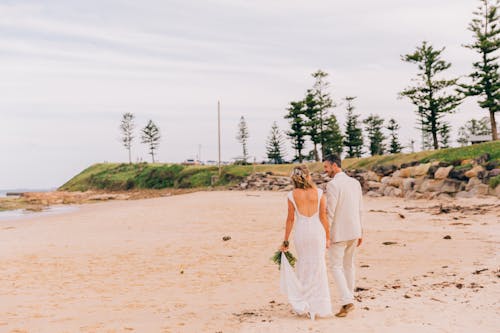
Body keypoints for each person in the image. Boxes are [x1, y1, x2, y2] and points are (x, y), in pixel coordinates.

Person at [279, 164, 332, 320]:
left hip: (301, 232)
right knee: (318, 266)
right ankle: (319, 306)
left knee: (303, 265)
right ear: (308, 176)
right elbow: (323, 217)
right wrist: (328, 237)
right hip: (317, 232)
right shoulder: (320, 193)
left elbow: (290, 219)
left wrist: (285, 240)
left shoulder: (291, 195)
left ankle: (305, 304)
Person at [323, 154, 363, 318]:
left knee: (335, 266)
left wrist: (326, 233)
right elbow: (360, 208)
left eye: (326, 167)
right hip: (354, 231)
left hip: (339, 233)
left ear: (334, 165)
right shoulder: (355, 183)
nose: (325, 170)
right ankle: (349, 298)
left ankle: (347, 300)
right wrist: (361, 230)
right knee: (348, 265)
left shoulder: (333, 185)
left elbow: (330, 211)